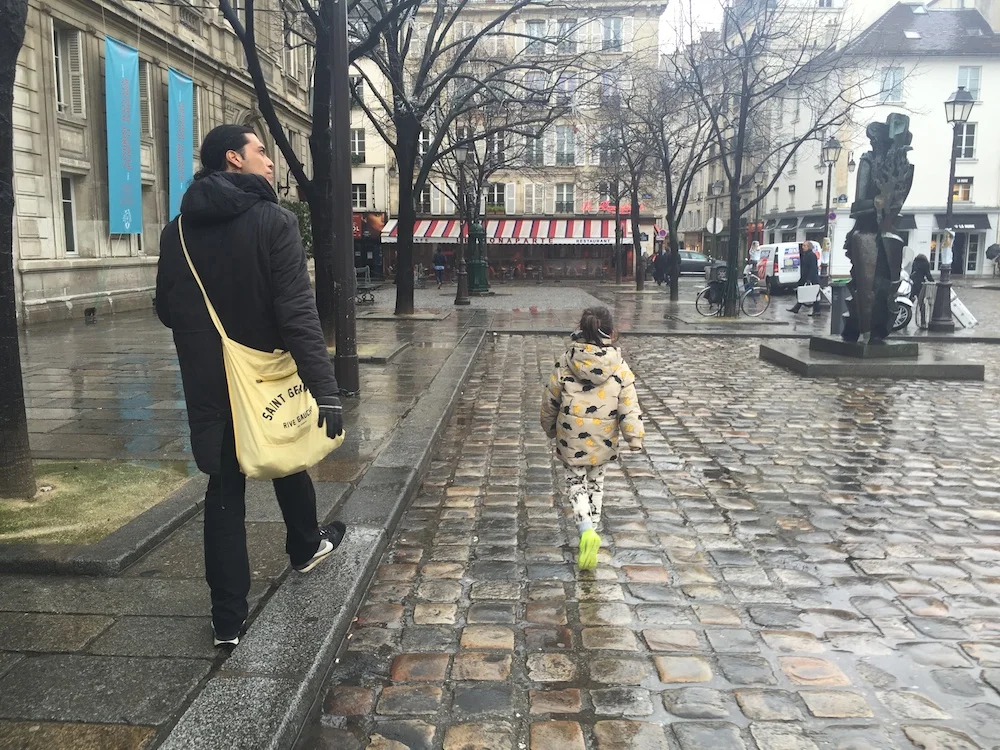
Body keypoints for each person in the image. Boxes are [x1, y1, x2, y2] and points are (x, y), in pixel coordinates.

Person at [156, 125, 346, 649]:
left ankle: (227, 621)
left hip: (208, 381)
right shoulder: (273, 222)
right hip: (263, 371)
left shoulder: (177, 232)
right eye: (260, 150)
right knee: (281, 444)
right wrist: (325, 388)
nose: (269, 159)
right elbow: (298, 316)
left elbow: (165, 309)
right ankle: (305, 546)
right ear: (232, 159)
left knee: (223, 492)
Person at [540, 307, 644, 571]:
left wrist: (549, 427)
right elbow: (629, 405)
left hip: (570, 437)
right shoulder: (619, 366)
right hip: (604, 440)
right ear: (611, 332)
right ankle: (593, 531)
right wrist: (634, 437)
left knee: (576, 483)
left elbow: (550, 399)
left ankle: (585, 529)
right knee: (596, 483)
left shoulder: (566, 361)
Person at [788, 241, 821, 315]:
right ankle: (797, 308)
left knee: (814, 295)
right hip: (805, 277)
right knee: (801, 292)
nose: (803, 247)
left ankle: (817, 311)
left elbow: (813, 268)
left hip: (811, 278)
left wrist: (809, 279)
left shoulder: (811, 255)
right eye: (803, 245)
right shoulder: (806, 255)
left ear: (809, 247)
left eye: (804, 246)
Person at [910, 253, 934, 329]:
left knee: (908, 302)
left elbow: (911, 273)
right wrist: (932, 282)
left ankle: (904, 319)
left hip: (912, 284)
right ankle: (923, 322)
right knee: (921, 304)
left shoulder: (914, 263)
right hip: (921, 285)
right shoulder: (926, 264)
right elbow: (928, 275)